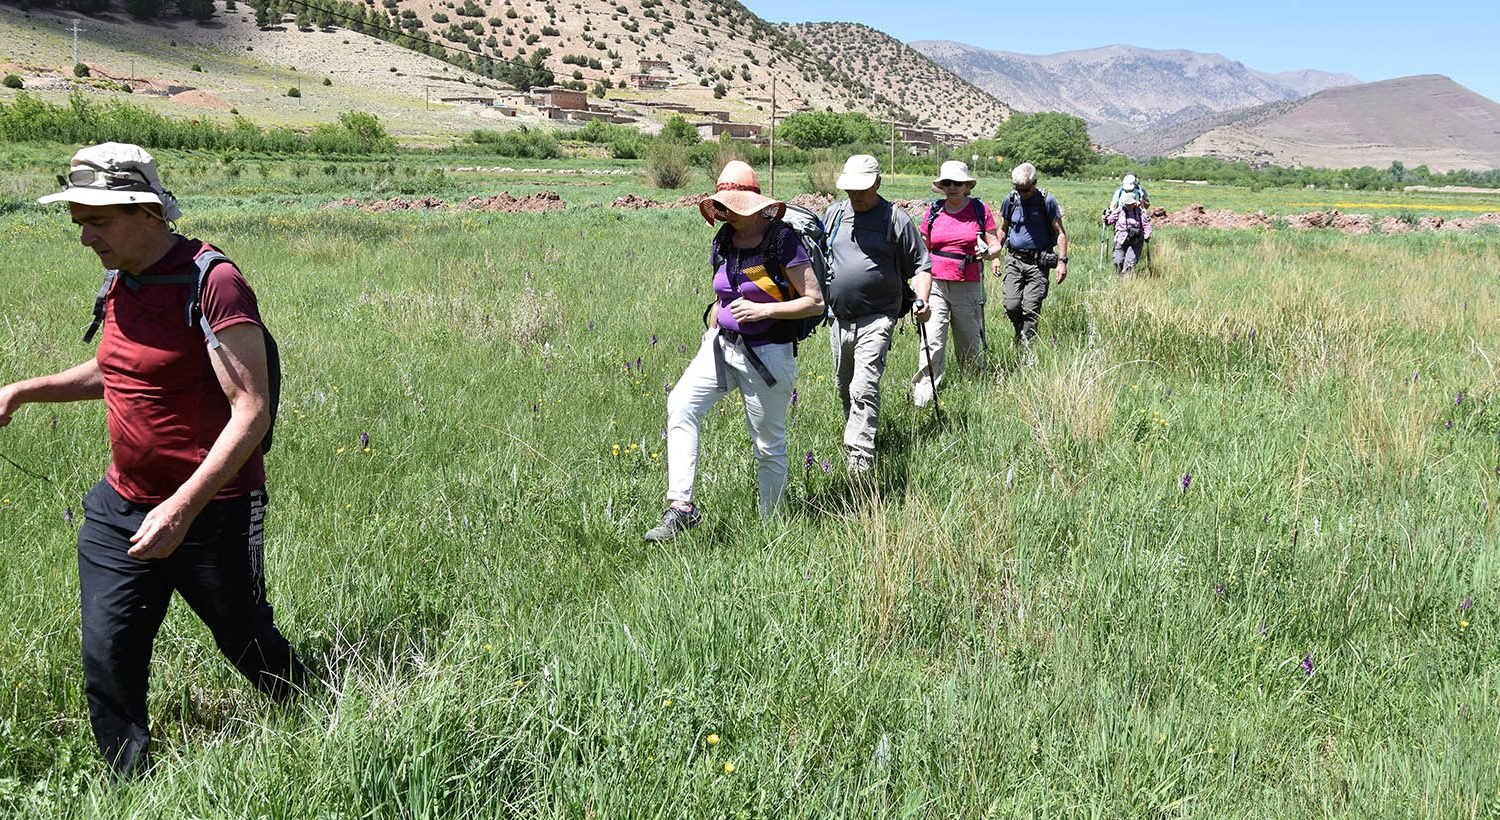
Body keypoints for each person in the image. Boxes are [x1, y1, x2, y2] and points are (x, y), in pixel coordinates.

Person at [1, 143, 308, 776]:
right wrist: (24, 391)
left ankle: (318, 721)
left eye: (98, 220)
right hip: (124, 504)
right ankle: (129, 782)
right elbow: (116, 371)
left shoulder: (212, 280)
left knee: (246, 640)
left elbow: (252, 410)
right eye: (78, 220)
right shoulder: (121, 279)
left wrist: (180, 508)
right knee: (108, 651)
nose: (85, 236)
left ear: (145, 210)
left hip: (211, 509)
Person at [644, 161, 824, 542]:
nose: (723, 211)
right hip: (721, 345)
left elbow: (815, 302)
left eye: (730, 205)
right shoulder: (724, 239)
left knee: (768, 444)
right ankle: (681, 507)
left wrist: (765, 310)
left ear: (751, 204)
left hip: (769, 354)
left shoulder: (783, 240)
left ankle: (771, 528)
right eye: (720, 205)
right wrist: (714, 324)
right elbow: (724, 290)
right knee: (680, 404)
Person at [822, 154, 932, 474]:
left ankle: (860, 458)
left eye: (863, 189)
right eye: (851, 189)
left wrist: (921, 299)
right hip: (839, 317)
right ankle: (856, 431)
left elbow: (922, 265)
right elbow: (815, 257)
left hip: (879, 316)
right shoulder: (833, 216)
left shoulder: (895, 219)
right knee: (844, 386)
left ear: (878, 184)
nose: (856, 195)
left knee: (863, 384)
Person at [912, 160, 1001, 408]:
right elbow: (923, 248)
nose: (952, 187)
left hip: (968, 284)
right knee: (932, 341)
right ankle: (922, 400)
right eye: (947, 183)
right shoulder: (934, 211)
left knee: (969, 343)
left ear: (966, 186)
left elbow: (995, 244)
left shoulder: (979, 210)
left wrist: (990, 253)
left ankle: (974, 395)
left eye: (957, 183)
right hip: (936, 284)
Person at [997, 162, 1068, 347]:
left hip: (1038, 263)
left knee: (1031, 307)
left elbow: (1060, 233)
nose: (1022, 194)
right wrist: (995, 256)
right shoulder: (1011, 199)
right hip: (1014, 260)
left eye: (1026, 190)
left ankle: (1024, 349)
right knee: (1011, 305)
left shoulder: (1047, 201)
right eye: (1018, 189)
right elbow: (1003, 229)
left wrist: (1062, 261)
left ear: (1035, 183)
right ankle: (1020, 332)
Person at [1103, 189, 1152, 275]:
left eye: (1131, 204)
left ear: (1134, 203)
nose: (1129, 206)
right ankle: (1118, 277)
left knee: (1130, 263)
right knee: (1118, 261)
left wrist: (1147, 234)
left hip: (1136, 240)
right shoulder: (1119, 210)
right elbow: (1109, 221)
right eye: (1127, 204)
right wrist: (1105, 218)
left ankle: (1127, 282)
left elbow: (1146, 225)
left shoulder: (1140, 212)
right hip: (1121, 239)